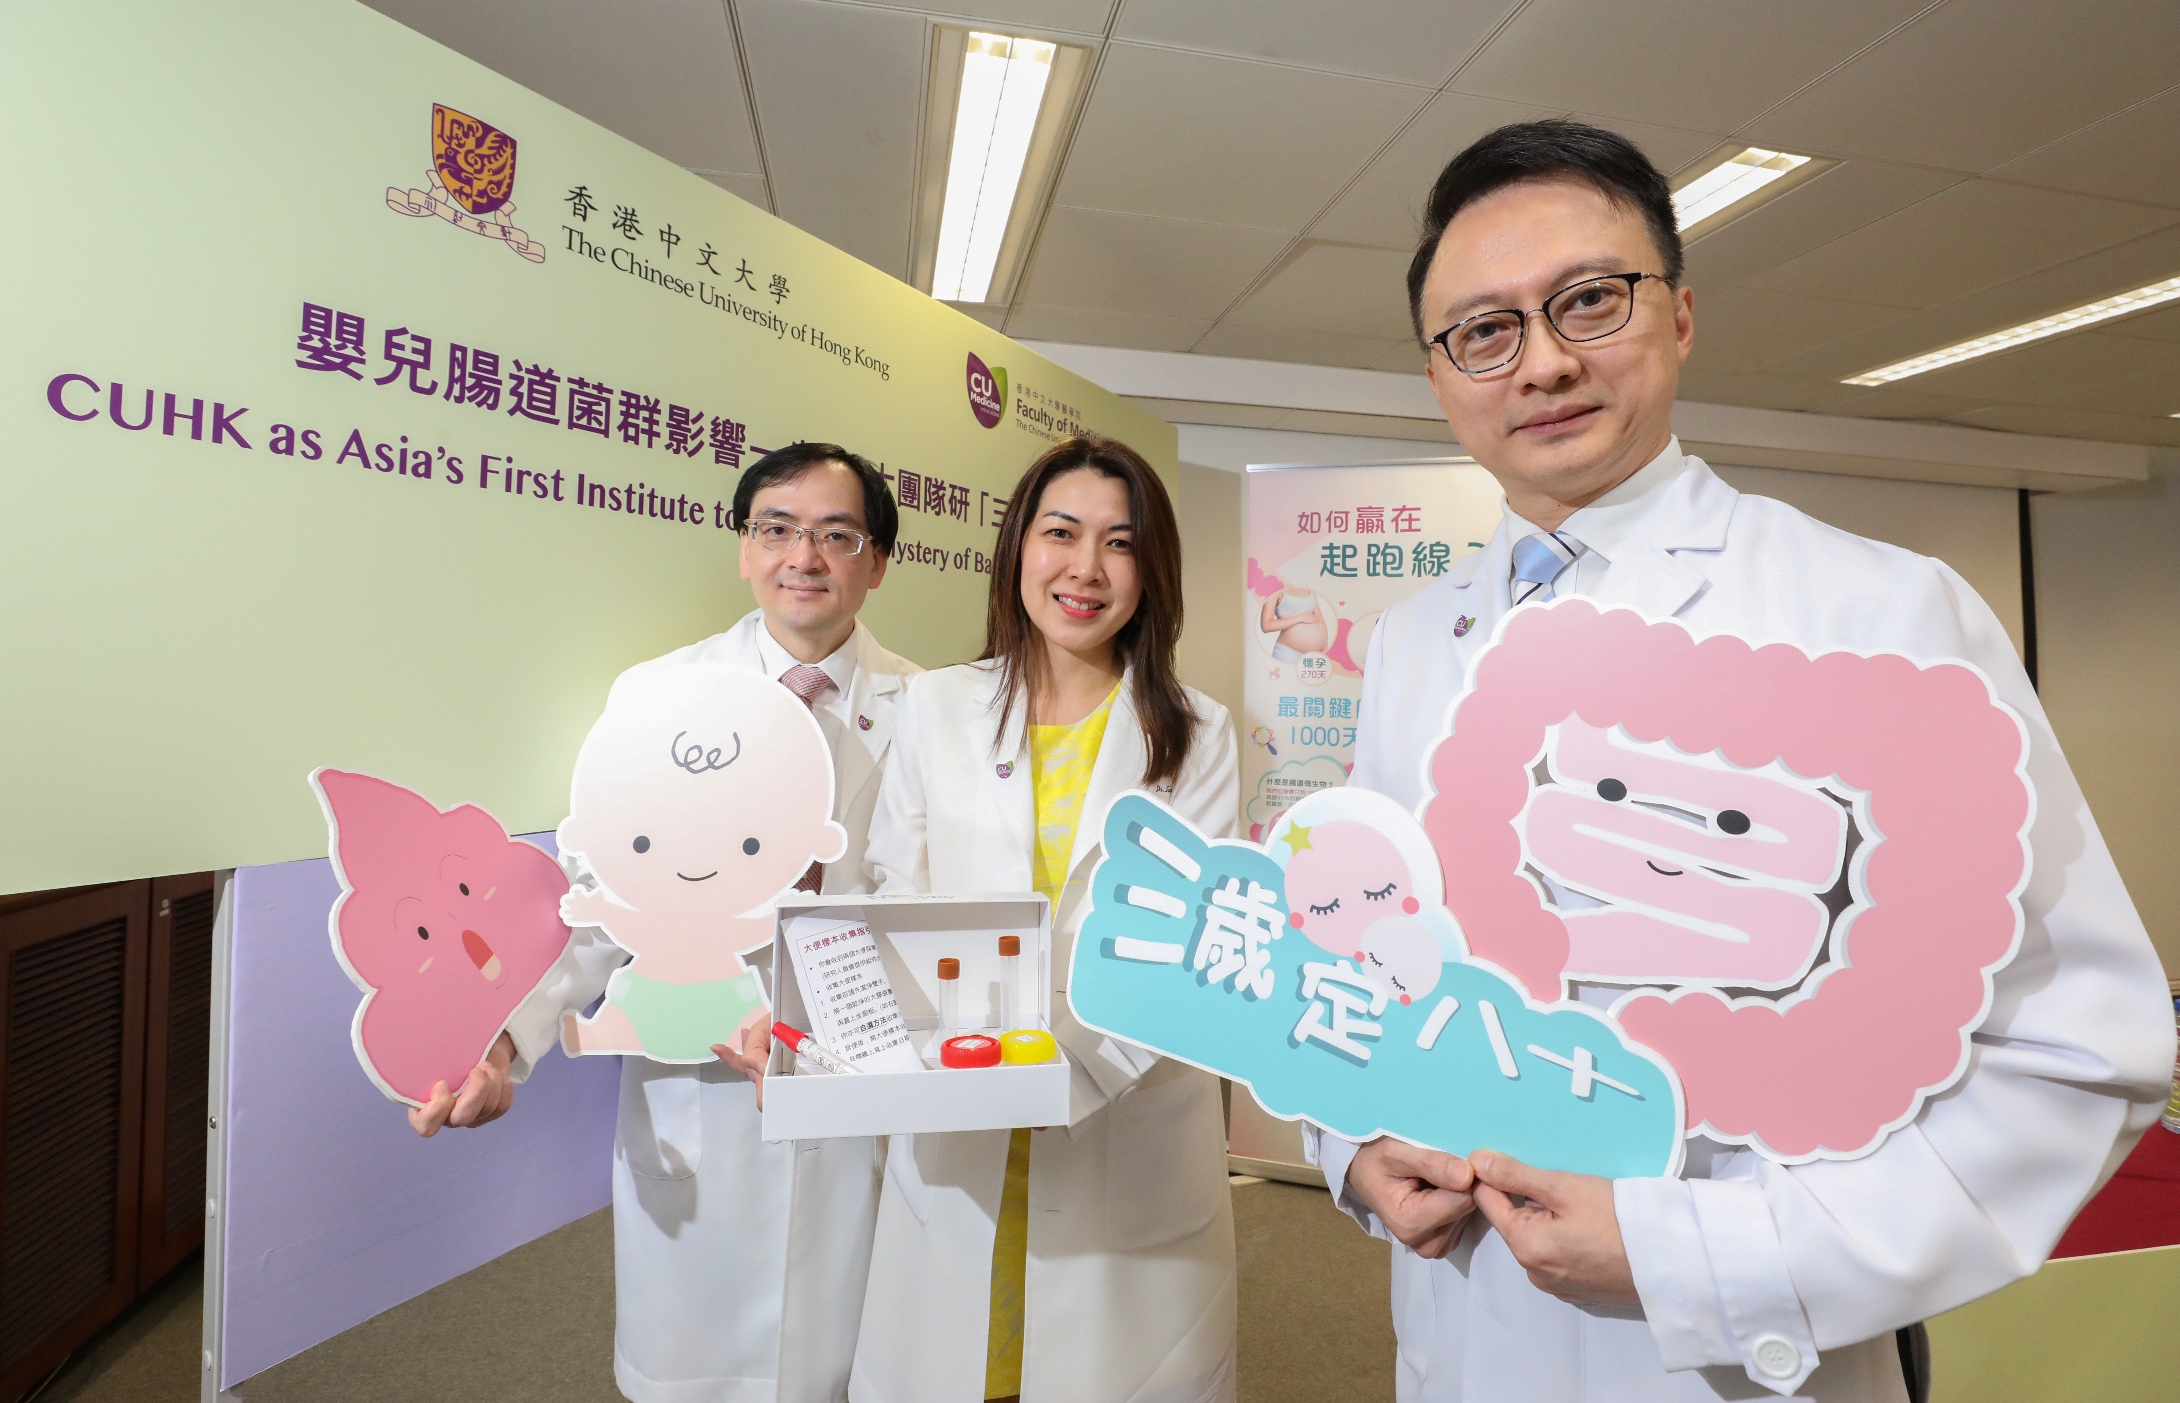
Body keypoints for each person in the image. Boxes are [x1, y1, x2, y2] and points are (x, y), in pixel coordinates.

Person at [1307, 119, 2174, 1403]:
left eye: (1587, 301)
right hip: (1464, 1331)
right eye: (1483, 331)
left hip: (1746, 1359)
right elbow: (1360, 946)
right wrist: (1352, 1140)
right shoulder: (1410, 643)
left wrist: (1699, 1256)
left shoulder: (1878, 618)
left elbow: (2074, 1053)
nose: (1540, 361)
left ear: (1679, 316)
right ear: (1440, 376)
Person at [408, 442, 922, 1403]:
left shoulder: (930, 711)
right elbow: (593, 904)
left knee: (851, 1364)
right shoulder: (656, 696)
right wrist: (503, 1048)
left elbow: (925, 913)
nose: (802, 555)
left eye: (837, 534)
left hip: (853, 1089)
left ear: (876, 561)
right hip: (696, 1091)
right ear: (743, 549)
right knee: (693, 1371)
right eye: (777, 529)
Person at [847, 434, 1241, 1403]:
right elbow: (895, 895)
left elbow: (1187, 946)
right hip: (961, 1102)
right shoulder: (934, 705)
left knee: (1113, 1369)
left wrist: (1058, 1079)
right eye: (1059, 532)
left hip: (1121, 1112)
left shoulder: (1194, 732)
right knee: (951, 1360)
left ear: (1151, 572)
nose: (1084, 567)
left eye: (1119, 542)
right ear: (1017, 546)